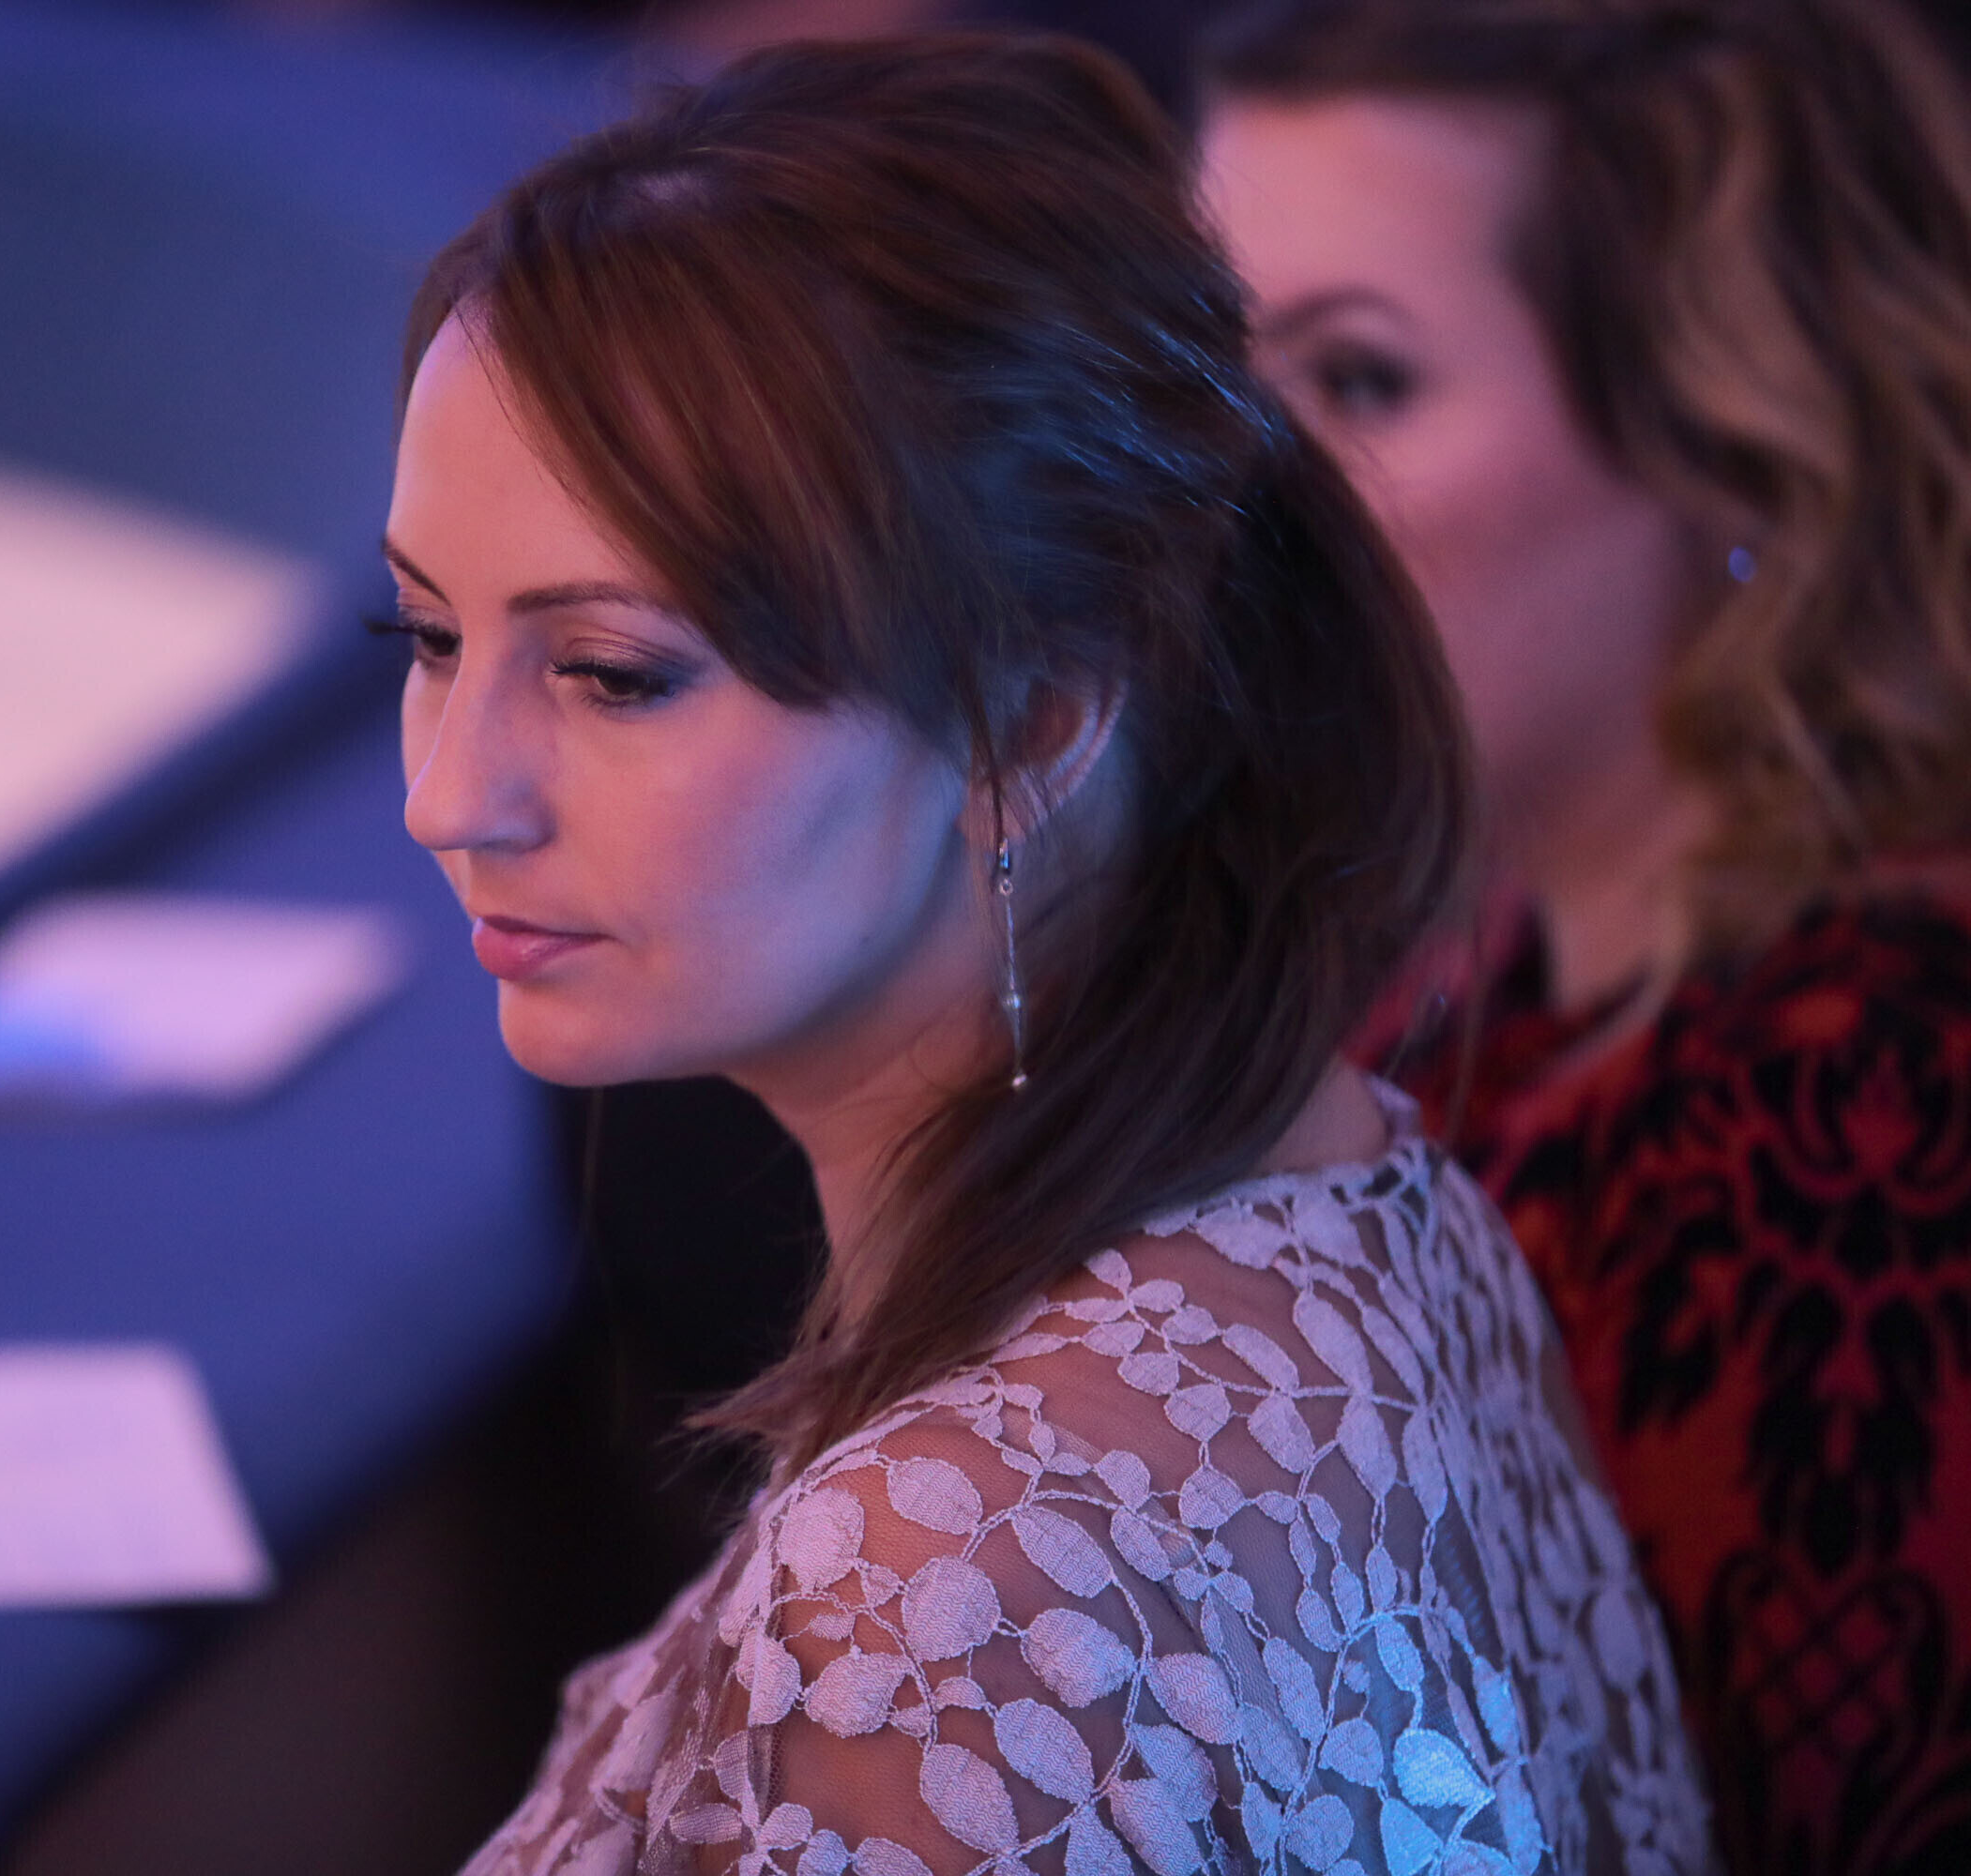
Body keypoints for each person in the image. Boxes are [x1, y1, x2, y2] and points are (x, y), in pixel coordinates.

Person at [382, 34, 1714, 1875]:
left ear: (1033, 721)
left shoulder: (939, 1598)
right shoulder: (1357, 1186)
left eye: (612, 673)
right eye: (428, 636)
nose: (449, 796)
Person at [1192, 3, 1971, 1870]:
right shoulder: (1468, 970)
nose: (1226, 500)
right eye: (1205, 371)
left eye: (1360, 382)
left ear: (1736, 445)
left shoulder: (1864, 1124)